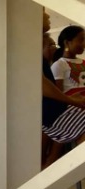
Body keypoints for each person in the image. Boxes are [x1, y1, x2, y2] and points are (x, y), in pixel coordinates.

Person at [42, 33, 85, 168]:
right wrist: (74, 101)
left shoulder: (44, 65)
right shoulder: (58, 64)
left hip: (66, 107)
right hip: (61, 109)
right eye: (50, 45)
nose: (54, 48)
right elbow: (55, 92)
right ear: (67, 42)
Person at [51, 25, 85, 93]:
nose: (84, 43)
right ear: (66, 43)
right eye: (81, 40)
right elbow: (58, 95)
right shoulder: (59, 65)